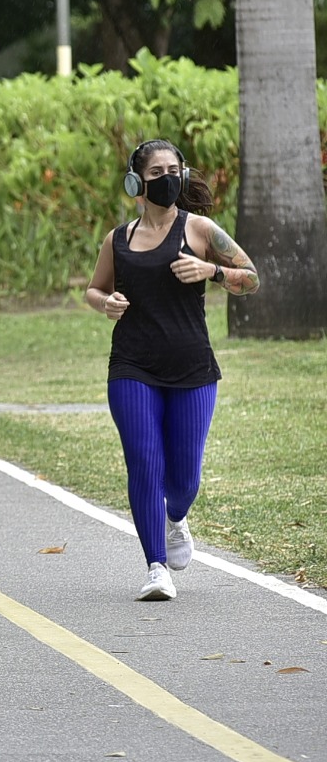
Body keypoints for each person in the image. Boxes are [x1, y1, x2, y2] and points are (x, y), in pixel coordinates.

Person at [86, 139, 259, 601]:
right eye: (156, 171)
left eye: (174, 169)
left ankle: (176, 516)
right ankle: (156, 567)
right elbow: (93, 289)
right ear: (135, 183)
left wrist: (211, 272)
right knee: (144, 462)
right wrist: (107, 302)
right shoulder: (117, 240)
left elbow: (251, 277)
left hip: (192, 368)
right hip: (131, 366)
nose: (167, 178)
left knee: (184, 478)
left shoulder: (200, 229)